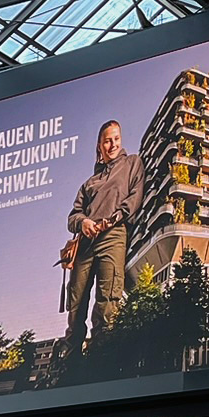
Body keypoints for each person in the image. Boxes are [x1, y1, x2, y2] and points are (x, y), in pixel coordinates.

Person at [61, 119, 143, 351]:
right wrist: (84, 222)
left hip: (114, 235)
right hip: (86, 243)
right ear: (99, 145)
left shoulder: (132, 163)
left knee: (107, 303)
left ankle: (101, 362)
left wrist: (114, 218)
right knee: (76, 305)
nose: (113, 144)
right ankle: (70, 362)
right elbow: (72, 217)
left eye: (116, 139)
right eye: (107, 141)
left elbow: (135, 197)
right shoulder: (89, 184)